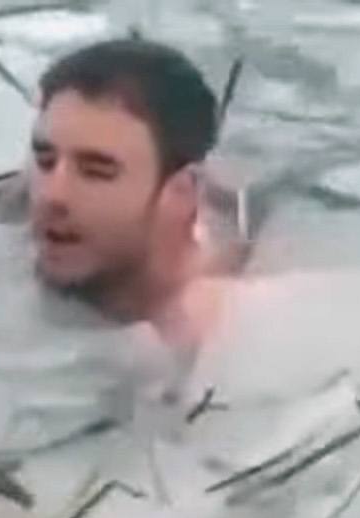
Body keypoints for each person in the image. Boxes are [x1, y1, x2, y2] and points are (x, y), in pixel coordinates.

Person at [24, 38, 227, 341]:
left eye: (96, 172)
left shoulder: (228, 327)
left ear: (180, 194)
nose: (51, 195)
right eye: (46, 162)